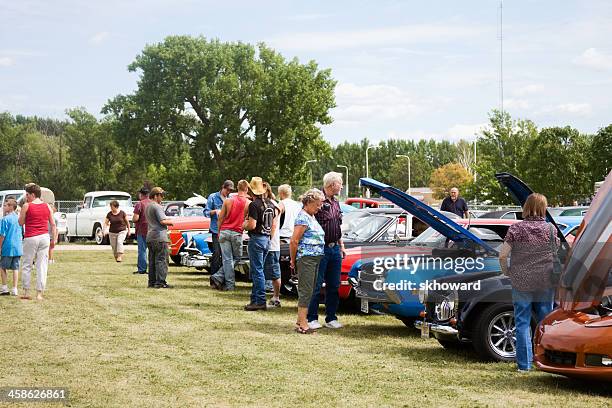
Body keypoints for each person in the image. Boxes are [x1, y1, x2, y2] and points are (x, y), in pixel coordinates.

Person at [499, 193, 558, 372]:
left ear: (526, 207)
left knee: (522, 321)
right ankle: (545, 362)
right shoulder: (550, 229)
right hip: (545, 280)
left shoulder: (516, 229)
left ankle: (524, 365)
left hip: (521, 280)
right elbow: (555, 252)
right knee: (545, 321)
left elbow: (502, 255)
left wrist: (507, 271)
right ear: (543, 208)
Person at [307, 172, 346, 330]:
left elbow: (337, 226)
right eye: (340, 183)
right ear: (332, 184)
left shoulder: (336, 202)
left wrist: (341, 245)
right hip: (320, 249)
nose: (342, 186)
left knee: (334, 285)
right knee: (316, 284)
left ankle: (331, 317)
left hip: (334, 249)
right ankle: (311, 318)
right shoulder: (318, 200)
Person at [290, 189, 325, 334]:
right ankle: (303, 324)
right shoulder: (303, 218)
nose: (319, 207)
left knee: (310, 290)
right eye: (317, 204)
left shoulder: (311, 216)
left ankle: (301, 320)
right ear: (309, 203)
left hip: (314, 258)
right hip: (307, 258)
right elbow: (294, 241)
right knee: (306, 290)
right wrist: (293, 259)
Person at [210, 180, 250, 291]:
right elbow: (247, 220)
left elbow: (220, 218)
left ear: (237, 188)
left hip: (224, 231)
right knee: (237, 258)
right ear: (246, 189)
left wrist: (218, 232)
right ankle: (228, 284)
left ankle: (219, 277)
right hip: (237, 232)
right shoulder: (248, 203)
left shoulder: (228, 201)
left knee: (227, 259)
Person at [18, 183, 56, 301]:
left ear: (33, 195)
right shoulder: (47, 206)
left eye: (27, 194)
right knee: (42, 265)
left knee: (27, 264)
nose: (26, 196)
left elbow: (20, 222)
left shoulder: (27, 206)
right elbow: (53, 224)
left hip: (31, 237)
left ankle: (26, 291)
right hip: (44, 237)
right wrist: (53, 239)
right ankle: (39, 293)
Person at [243, 177, 276, 311]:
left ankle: (260, 300)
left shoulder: (254, 205)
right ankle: (255, 299)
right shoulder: (271, 203)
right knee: (260, 270)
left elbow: (252, 225)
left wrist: (244, 225)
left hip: (257, 238)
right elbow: (273, 224)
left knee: (257, 271)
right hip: (267, 238)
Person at [145, 187, 174, 288]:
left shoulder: (148, 206)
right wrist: (172, 221)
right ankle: (161, 282)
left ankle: (152, 282)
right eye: (161, 195)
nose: (162, 197)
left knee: (152, 261)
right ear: (156, 196)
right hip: (159, 236)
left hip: (150, 236)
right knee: (162, 260)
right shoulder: (157, 207)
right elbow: (162, 221)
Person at [205, 180, 234, 277]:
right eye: (227, 189)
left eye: (230, 190)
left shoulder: (231, 199)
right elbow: (206, 212)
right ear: (223, 187)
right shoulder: (213, 197)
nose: (228, 192)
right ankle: (214, 276)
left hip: (227, 229)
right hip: (216, 230)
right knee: (216, 254)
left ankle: (222, 277)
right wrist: (216, 211)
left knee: (225, 255)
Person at [263, 182, 282, 307]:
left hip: (272, 245)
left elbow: (273, 225)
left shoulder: (273, 205)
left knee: (275, 273)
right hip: (271, 243)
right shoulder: (271, 204)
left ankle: (276, 297)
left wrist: (268, 239)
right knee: (269, 271)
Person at [0, 199, 22, 296]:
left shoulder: (5, 219)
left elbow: (2, 235)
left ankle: (4, 287)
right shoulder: (18, 218)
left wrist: (0, 246)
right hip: (17, 246)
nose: (4, 207)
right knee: (15, 268)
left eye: (5, 205)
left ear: (10, 207)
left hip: (8, 246)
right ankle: (15, 289)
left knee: (2, 267)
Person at [132, 187, 151, 275]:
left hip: (142, 230)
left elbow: (136, 218)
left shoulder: (139, 204)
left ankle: (142, 269)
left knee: (142, 251)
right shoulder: (153, 203)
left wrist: (133, 219)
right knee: (152, 251)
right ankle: (152, 269)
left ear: (141, 194)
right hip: (152, 230)